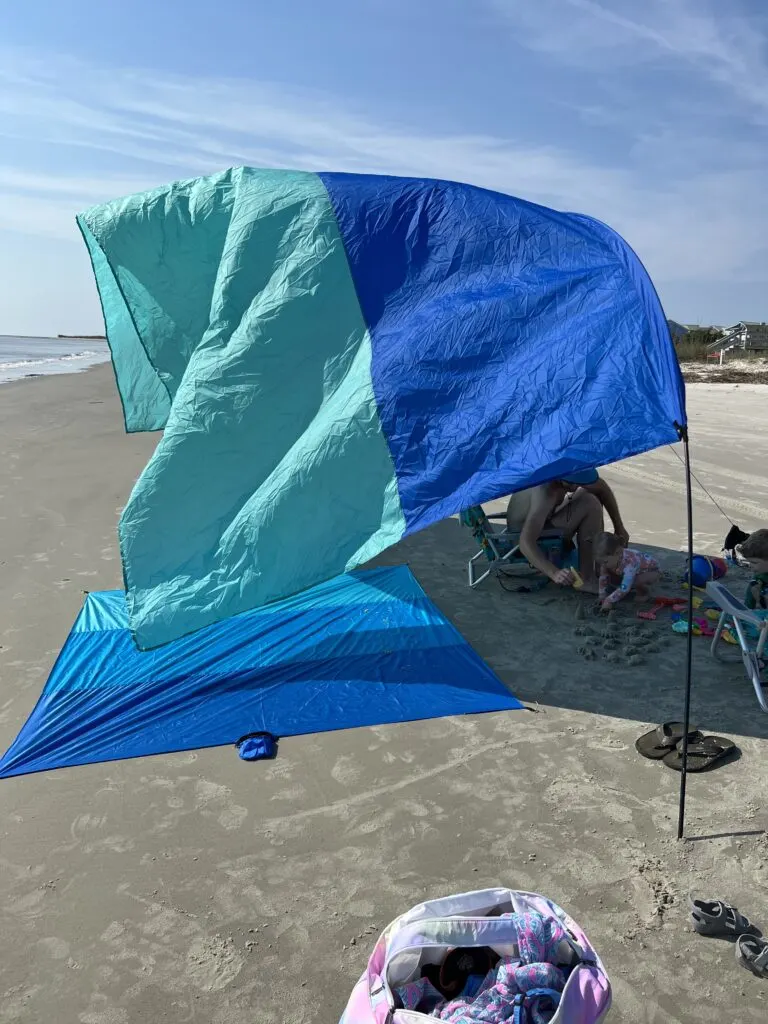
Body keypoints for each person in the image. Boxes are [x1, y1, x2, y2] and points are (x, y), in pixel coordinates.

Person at [505, 469, 629, 593]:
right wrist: (554, 572)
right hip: (523, 541)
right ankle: (586, 578)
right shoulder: (545, 493)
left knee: (592, 492)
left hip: (542, 522)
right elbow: (525, 542)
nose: (575, 486)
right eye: (572, 483)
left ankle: (599, 567)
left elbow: (602, 488)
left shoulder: (563, 471)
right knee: (590, 503)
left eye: (578, 482)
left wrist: (619, 527)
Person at [594, 531, 660, 610]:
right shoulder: (610, 560)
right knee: (605, 571)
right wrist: (602, 595)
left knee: (635, 581)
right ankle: (626, 583)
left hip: (652, 571)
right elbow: (603, 577)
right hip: (631, 570)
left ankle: (643, 593)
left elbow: (624, 589)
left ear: (617, 552)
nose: (603, 565)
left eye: (605, 562)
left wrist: (609, 600)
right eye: (600, 562)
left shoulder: (630, 563)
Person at [738, 529, 768, 610]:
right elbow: (748, 604)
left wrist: (761, 599)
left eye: (754, 562)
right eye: (749, 562)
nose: (750, 566)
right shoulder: (758, 577)